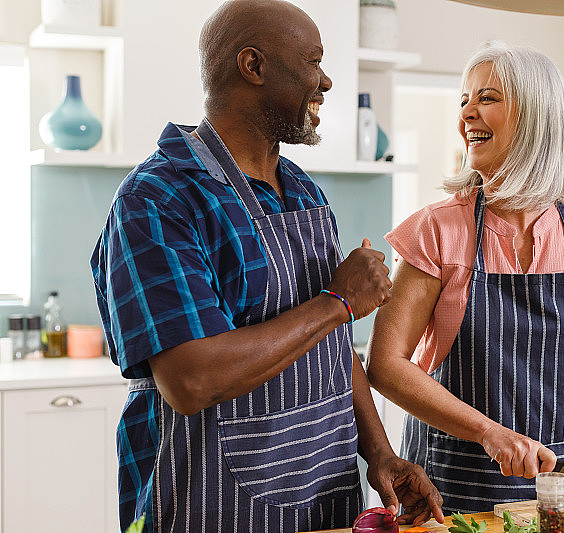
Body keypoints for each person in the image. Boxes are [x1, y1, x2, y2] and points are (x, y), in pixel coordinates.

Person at [90, 1, 444, 531]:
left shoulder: (303, 190)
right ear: (252, 66)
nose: (325, 82)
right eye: (312, 62)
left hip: (324, 494)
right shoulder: (159, 199)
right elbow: (191, 380)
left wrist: (380, 454)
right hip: (204, 502)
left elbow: (331, 343)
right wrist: (337, 302)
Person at [366, 41, 564, 513]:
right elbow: (385, 364)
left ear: (537, 114)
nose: (467, 115)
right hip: (455, 490)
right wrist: (490, 433)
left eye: (487, 98)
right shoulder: (438, 229)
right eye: (464, 101)